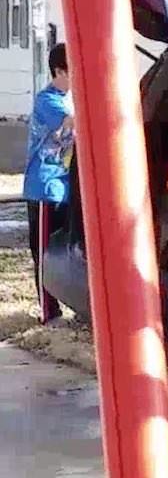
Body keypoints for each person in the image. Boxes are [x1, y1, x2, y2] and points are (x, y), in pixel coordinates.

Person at [22, 43, 73, 324]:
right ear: (59, 71)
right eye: (74, 71)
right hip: (44, 187)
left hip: (63, 186)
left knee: (60, 253)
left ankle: (64, 306)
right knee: (42, 252)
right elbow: (75, 123)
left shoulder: (69, 98)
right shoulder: (48, 100)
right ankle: (48, 312)